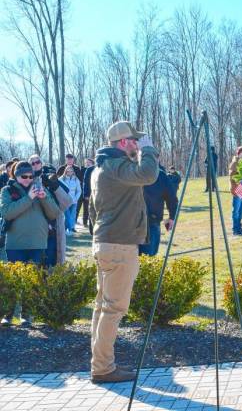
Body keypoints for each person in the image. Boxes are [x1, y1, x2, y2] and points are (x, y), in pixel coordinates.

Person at [89, 121, 158, 383]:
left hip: (106, 243)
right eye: (134, 140)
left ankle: (100, 363)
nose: (137, 144)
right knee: (113, 309)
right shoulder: (116, 167)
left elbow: (94, 211)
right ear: (122, 143)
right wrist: (149, 151)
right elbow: (148, 175)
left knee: (102, 307)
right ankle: (103, 368)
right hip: (119, 246)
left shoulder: (102, 167)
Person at [0, 161, 60, 327]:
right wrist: (29, 198)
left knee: (32, 281)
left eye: (30, 176)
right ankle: (8, 315)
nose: (27, 179)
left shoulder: (41, 189)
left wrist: (45, 198)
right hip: (15, 244)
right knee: (13, 281)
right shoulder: (7, 191)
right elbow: (7, 213)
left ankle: (27, 315)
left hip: (38, 243)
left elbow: (54, 213)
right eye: (23, 176)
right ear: (15, 175)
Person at [30, 154, 74, 267]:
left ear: (41, 162)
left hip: (54, 226)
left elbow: (67, 202)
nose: (35, 165)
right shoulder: (27, 180)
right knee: (36, 263)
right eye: (32, 163)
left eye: (37, 162)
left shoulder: (50, 177)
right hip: (37, 227)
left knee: (52, 260)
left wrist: (54, 186)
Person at [139, 165, 178, 256]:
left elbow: (171, 198)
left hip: (147, 222)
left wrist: (172, 216)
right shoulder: (160, 174)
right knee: (148, 260)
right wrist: (171, 217)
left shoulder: (129, 170)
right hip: (149, 222)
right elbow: (171, 198)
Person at [57, 154, 84, 223]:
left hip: (74, 193)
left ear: (73, 160)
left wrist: (76, 194)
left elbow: (80, 180)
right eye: (68, 160)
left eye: (71, 160)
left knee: (74, 212)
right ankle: (67, 226)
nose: (69, 161)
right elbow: (57, 180)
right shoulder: (61, 168)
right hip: (64, 195)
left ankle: (72, 226)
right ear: (66, 160)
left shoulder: (77, 169)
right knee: (66, 213)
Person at [229, 146, 242, 236]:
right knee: (236, 211)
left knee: (241, 210)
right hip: (237, 189)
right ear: (238, 153)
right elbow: (232, 177)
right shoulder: (234, 163)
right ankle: (235, 229)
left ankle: (239, 228)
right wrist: (239, 181)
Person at [59, 166, 82, 235]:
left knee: (72, 215)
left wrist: (76, 198)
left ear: (73, 172)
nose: (69, 173)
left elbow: (79, 191)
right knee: (67, 215)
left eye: (71, 171)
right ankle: (70, 228)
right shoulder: (61, 179)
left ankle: (69, 228)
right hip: (65, 201)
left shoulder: (76, 179)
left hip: (74, 200)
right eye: (68, 171)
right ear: (65, 171)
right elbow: (59, 190)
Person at [83, 160, 96, 235]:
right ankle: (92, 230)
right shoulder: (90, 169)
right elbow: (85, 183)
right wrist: (86, 194)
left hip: (103, 195)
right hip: (91, 194)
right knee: (92, 212)